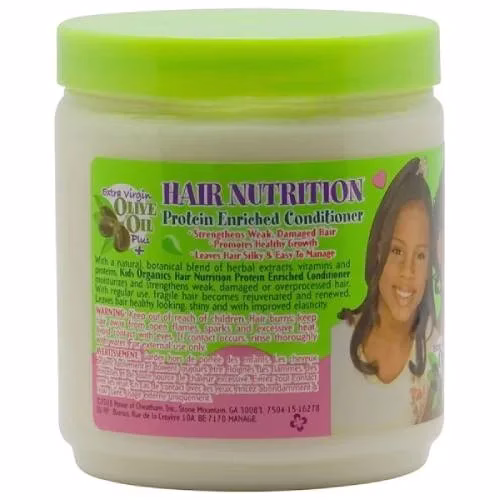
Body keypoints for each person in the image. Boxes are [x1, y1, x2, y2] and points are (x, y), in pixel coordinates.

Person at [331, 157, 439, 434]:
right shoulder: (337, 339)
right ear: (378, 249)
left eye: (420, 255)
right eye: (397, 250)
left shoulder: (431, 342)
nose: (408, 271)